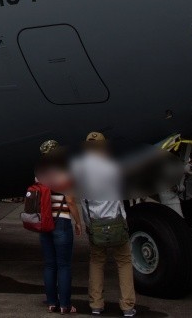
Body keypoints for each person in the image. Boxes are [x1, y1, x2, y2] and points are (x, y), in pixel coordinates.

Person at [71, 131, 135, 318]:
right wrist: (123, 220)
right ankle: (128, 306)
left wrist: (88, 223)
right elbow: (120, 197)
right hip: (115, 221)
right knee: (123, 262)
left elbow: (82, 201)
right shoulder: (112, 167)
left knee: (96, 262)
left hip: (95, 223)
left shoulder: (78, 169)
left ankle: (96, 305)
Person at [34, 140, 83, 314]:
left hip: (44, 223)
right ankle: (65, 305)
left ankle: (52, 303)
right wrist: (78, 221)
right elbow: (70, 200)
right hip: (61, 222)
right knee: (64, 265)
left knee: (49, 265)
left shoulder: (39, 174)